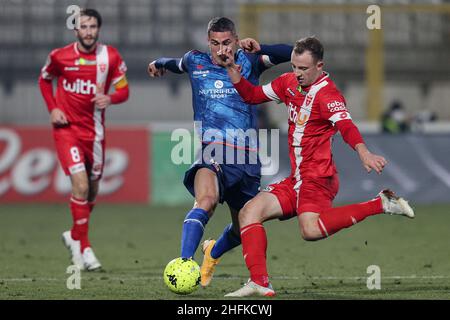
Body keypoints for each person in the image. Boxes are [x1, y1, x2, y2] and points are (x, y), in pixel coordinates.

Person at [217, 36, 415, 297]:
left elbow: (346, 126)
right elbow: (252, 96)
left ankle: (380, 204)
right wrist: (232, 68)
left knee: (309, 230)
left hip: (319, 179)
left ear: (319, 66)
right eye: (294, 67)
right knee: (248, 212)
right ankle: (259, 282)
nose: (297, 74)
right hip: (297, 179)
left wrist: (364, 152)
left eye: (303, 69)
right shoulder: (288, 83)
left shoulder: (328, 94)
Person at [147, 17, 292, 287]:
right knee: (207, 200)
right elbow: (175, 64)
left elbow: (292, 53)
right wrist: (158, 63)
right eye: (215, 43)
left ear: (236, 41)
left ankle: (212, 252)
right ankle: (183, 263)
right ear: (208, 43)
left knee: (242, 228)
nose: (221, 49)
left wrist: (260, 47)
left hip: (246, 158)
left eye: (227, 43)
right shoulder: (196, 61)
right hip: (212, 151)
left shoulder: (249, 61)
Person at [38, 8, 129, 271]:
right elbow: (45, 80)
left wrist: (111, 98)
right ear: (75, 29)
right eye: (83, 27)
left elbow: (124, 90)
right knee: (79, 185)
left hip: (96, 134)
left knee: (91, 190)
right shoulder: (60, 56)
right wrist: (53, 108)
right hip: (66, 130)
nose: (88, 31)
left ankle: (74, 235)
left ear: (98, 30)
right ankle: (84, 248)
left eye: (92, 27)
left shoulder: (109, 57)